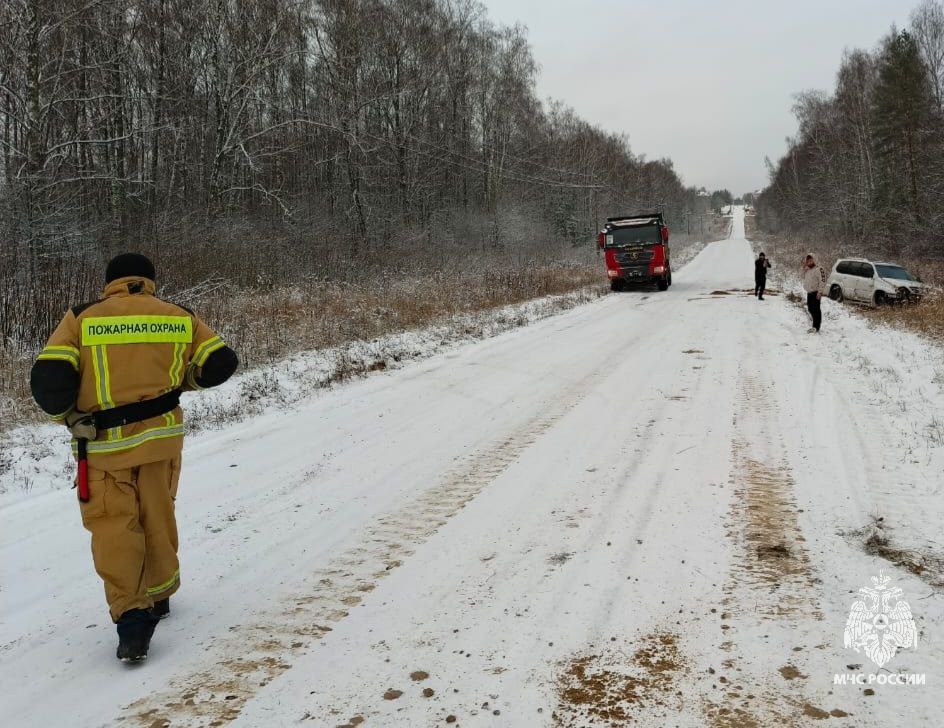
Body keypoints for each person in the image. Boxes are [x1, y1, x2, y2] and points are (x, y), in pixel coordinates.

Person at [29, 253, 238, 662]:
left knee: (114, 527)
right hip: (162, 441)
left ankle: (132, 619)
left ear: (110, 282)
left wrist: (66, 417)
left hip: (104, 447)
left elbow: (49, 379)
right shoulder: (179, 316)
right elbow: (220, 363)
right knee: (157, 513)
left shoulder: (82, 318)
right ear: (150, 280)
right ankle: (160, 595)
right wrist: (181, 381)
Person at [801, 254, 826, 332]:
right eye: (808, 261)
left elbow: (823, 280)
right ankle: (815, 322)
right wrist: (803, 268)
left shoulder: (819, 269)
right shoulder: (807, 270)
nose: (809, 262)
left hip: (816, 292)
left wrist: (820, 291)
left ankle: (816, 327)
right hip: (809, 292)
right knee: (810, 308)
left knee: (816, 309)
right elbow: (802, 277)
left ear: (814, 260)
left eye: (811, 260)